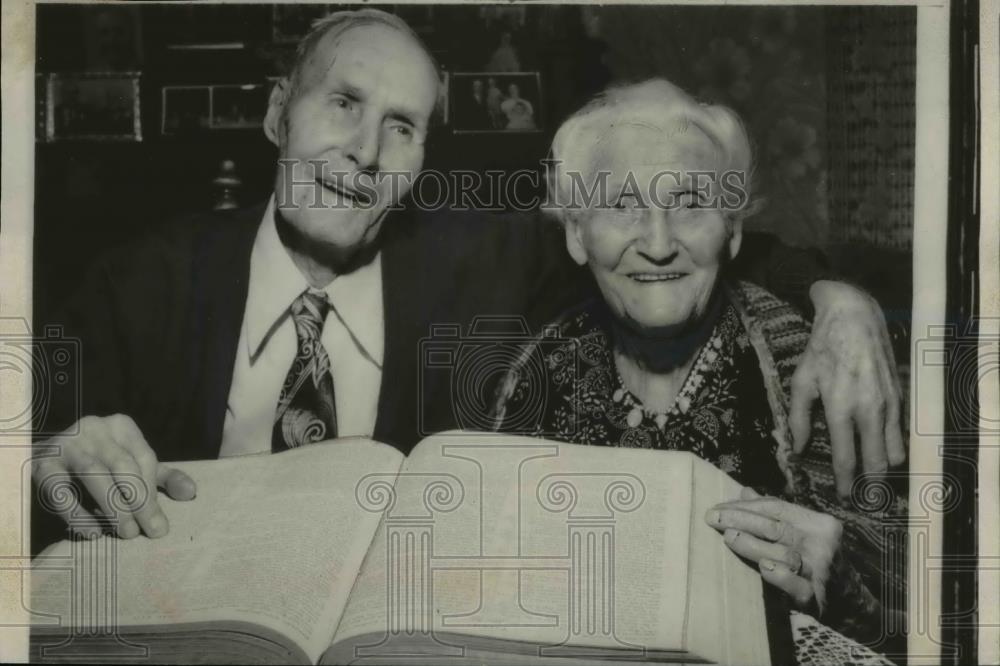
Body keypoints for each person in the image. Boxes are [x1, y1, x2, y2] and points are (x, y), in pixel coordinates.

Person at [32, 10, 904, 556]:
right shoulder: (137, 280)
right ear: (274, 115)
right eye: (343, 105)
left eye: (402, 127)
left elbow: (662, 245)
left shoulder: (482, 258)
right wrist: (45, 457)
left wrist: (841, 298)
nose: (365, 154)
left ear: (422, 159)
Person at [490, 79, 906, 657]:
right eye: (621, 204)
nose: (658, 243)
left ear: (733, 230)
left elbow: (929, 611)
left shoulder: (814, 366)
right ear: (576, 234)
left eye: (690, 205)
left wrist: (845, 594)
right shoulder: (535, 375)